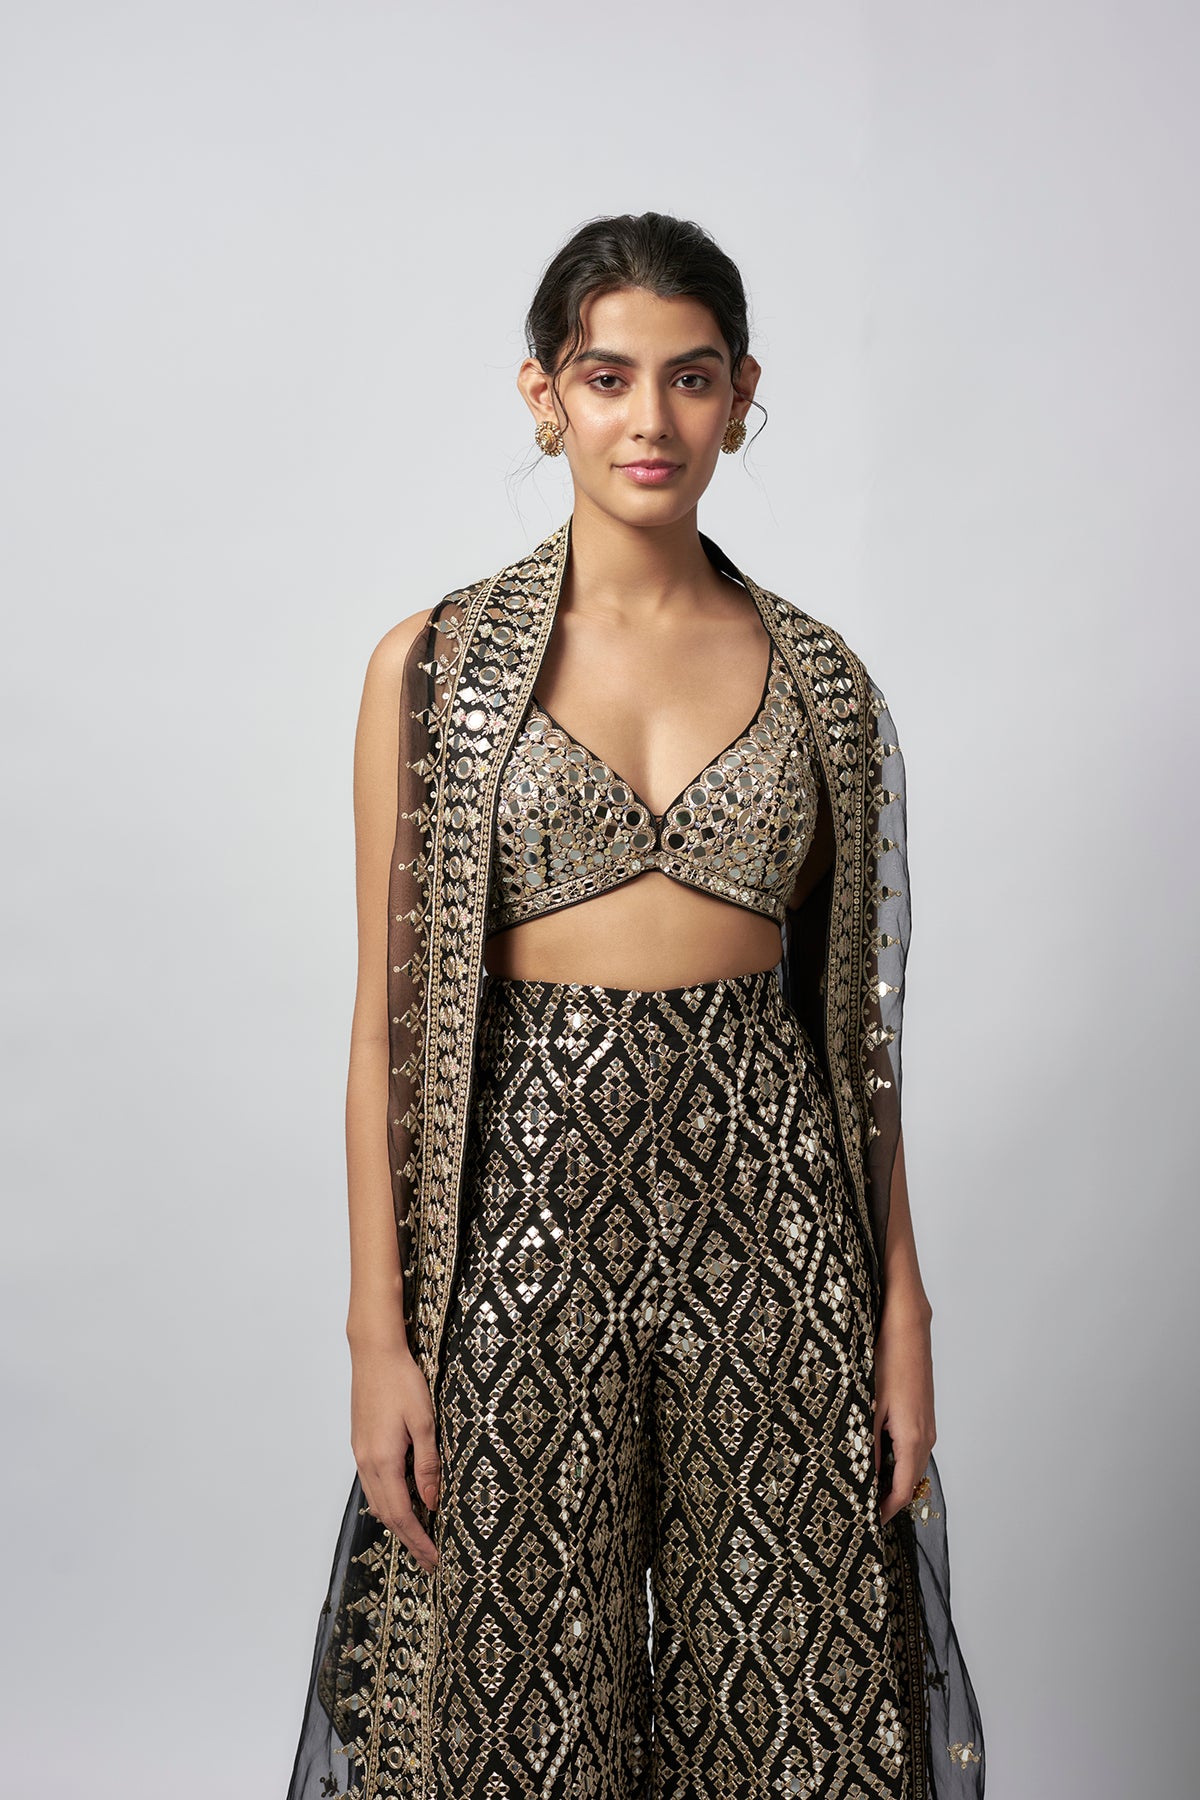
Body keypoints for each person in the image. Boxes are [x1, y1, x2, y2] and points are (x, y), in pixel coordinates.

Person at [285, 211, 985, 1800]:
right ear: (545, 395)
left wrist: (903, 1315)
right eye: (609, 378)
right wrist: (378, 1335)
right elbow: (385, 1030)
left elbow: (857, 1046)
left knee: (797, 1698)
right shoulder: (435, 670)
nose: (650, 419)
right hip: (521, 1225)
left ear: (743, 395)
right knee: (516, 1709)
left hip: (777, 1227)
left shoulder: (823, 682)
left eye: (691, 377)